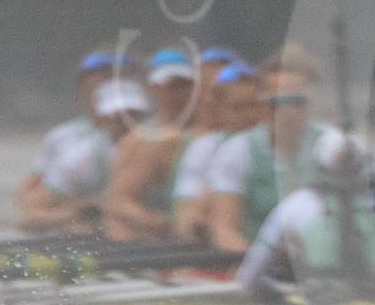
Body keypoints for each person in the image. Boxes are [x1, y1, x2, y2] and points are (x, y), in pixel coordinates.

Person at [234, 128, 375, 305]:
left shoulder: (295, 206)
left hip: (316, 301)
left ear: (318, 166)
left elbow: (249, 278)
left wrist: (275, 294)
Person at [203, 54, 335, 254]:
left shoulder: (335, 146)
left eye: (297, 102)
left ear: (310, 104)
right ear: (262, 105)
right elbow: (223, 230)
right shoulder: (238, 151)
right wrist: (258, 264)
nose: (289, 112)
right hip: (260, 266)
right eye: (278, 104)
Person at [16, 79, 148, 233]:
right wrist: (77, 213)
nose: (125, 121)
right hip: (94, 236)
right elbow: (29, 218)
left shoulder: (167, 148)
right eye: (116, 115)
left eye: (132, 113)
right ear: (100, 118)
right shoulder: (81, 159)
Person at [15, 47, 131, 219]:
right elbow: (28, 200)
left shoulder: (154, 135)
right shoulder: (62, 136)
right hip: (74, 220)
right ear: (82, 93)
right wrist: (71, 212)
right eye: (95, 89)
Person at [100, 47, 199, 241]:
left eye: (182, 84)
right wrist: (153, 223)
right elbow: (116, 203)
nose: (176, 92)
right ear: (152, 87)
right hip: (155, 240)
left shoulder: (208, 132)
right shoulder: (140, 140)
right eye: (168, 85)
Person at [172, 61, 263, 243]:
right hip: (224, 254)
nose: (249, 115)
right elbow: (186, 215)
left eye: (254, 106)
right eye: (238, 108)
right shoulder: (203, 148)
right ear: (220, 110)